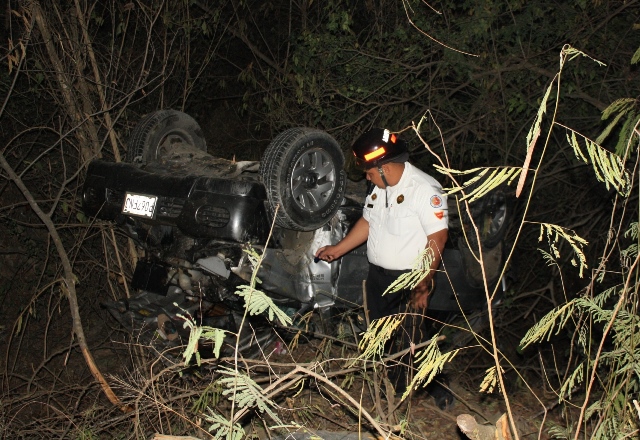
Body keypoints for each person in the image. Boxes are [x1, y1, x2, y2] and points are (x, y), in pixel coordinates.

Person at [315, 127, 449, 395]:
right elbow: (368, 221)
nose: (367, 176)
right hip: (378, 277)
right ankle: (390, 388)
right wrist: (338, 249)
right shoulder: (379, 189)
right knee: (380, 337)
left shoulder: (424, 189)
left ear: (385, 167)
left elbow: (438, 238)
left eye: (369, 171)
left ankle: (413, 396)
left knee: (409, 342)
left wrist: (423, 284)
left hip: (410, 279)